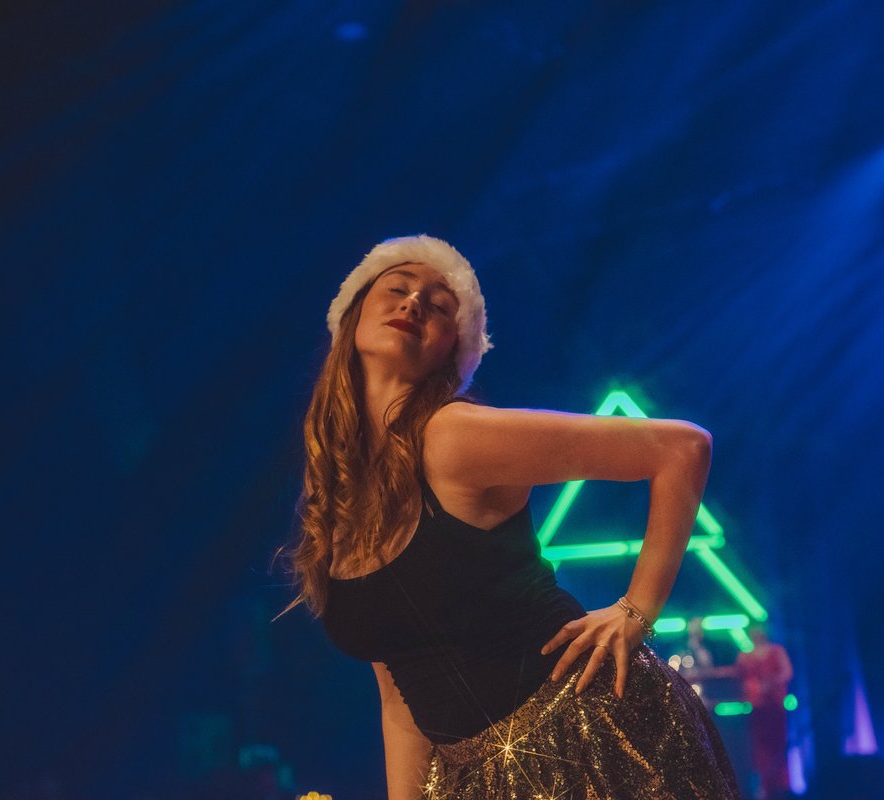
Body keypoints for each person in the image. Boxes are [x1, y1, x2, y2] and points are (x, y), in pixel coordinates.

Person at [274, 234, 740, 799]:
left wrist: (636, 611)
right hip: (474, 782)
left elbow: (682, 449)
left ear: (454, 348)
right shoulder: (342, 503)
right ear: (351, 317)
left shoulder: (452, 437)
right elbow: (400, 696)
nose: (414, 302)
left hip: (590, 742)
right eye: (397, 288)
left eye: (439, 306)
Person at [735, 625, 793, 800]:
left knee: (777, 745)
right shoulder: (745, 656)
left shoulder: (776, 651)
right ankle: (764, 787)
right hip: (757, 706)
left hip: (774, 706)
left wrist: (771, 683)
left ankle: (781, 785)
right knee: (760, 748)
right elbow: (739, 677)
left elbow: (786, 673)